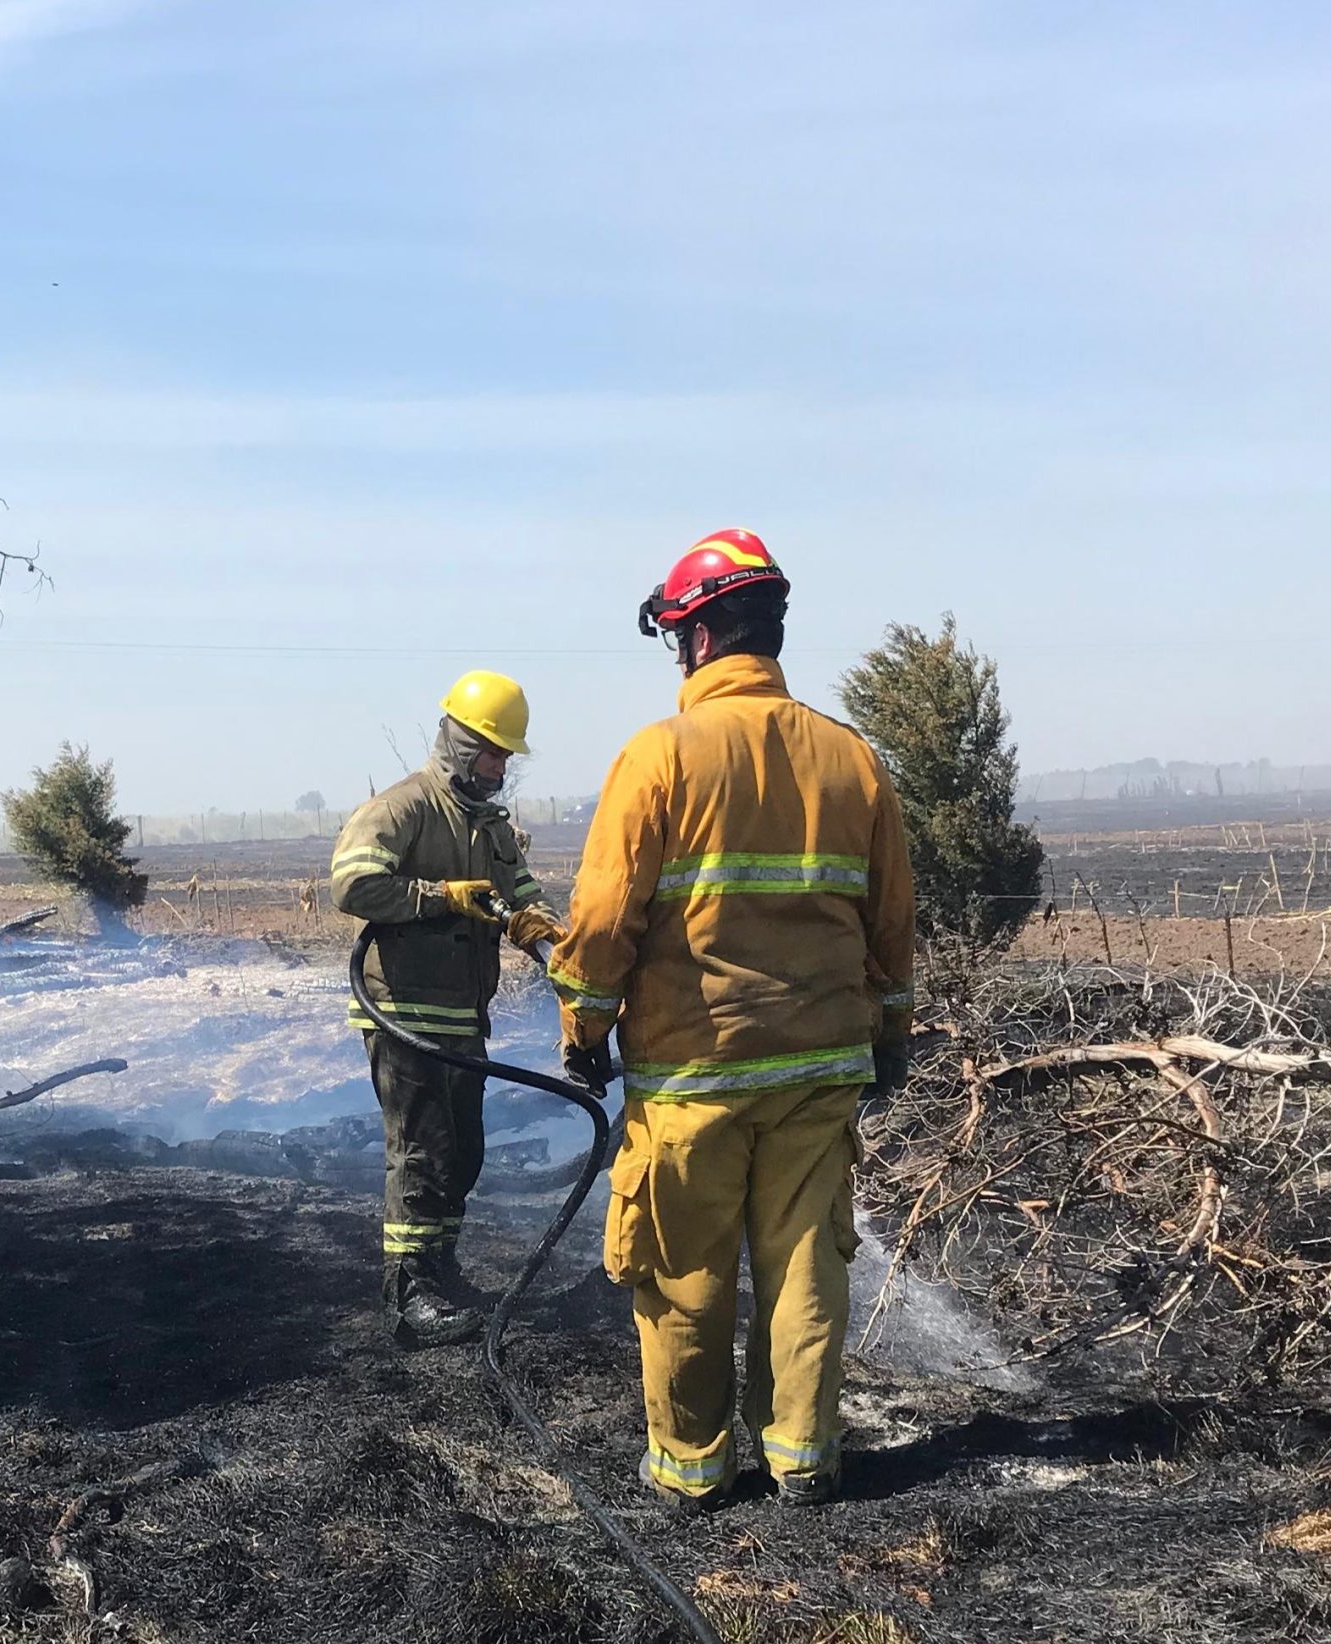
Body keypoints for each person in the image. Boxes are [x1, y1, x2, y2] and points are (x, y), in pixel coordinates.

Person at [549, 530, 913, 1506]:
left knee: (685, 1272)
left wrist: (582, 1035)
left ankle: (691, 1473)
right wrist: (890, 1038)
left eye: (674, 636)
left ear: (699, 637)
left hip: (691, 1076)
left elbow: (598, 924)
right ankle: (802, 1458)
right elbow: (890, 923)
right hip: (820, 1066)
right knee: (806, 1266)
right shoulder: (852, 760)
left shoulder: (656, 758)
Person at [331, 671, 562, 1347]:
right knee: (422, 1150)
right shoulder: (404, 808)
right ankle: (409, 1289)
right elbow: (352, 882)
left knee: (464, 1153)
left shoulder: (492, 829)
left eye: (507, 756)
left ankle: (441, 1269)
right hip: (401, 1011)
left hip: (463, 1016)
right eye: (493, 752)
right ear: (462, 742)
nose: (501, 765)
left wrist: (546, 931)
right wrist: (437, 897)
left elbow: (525, 895)